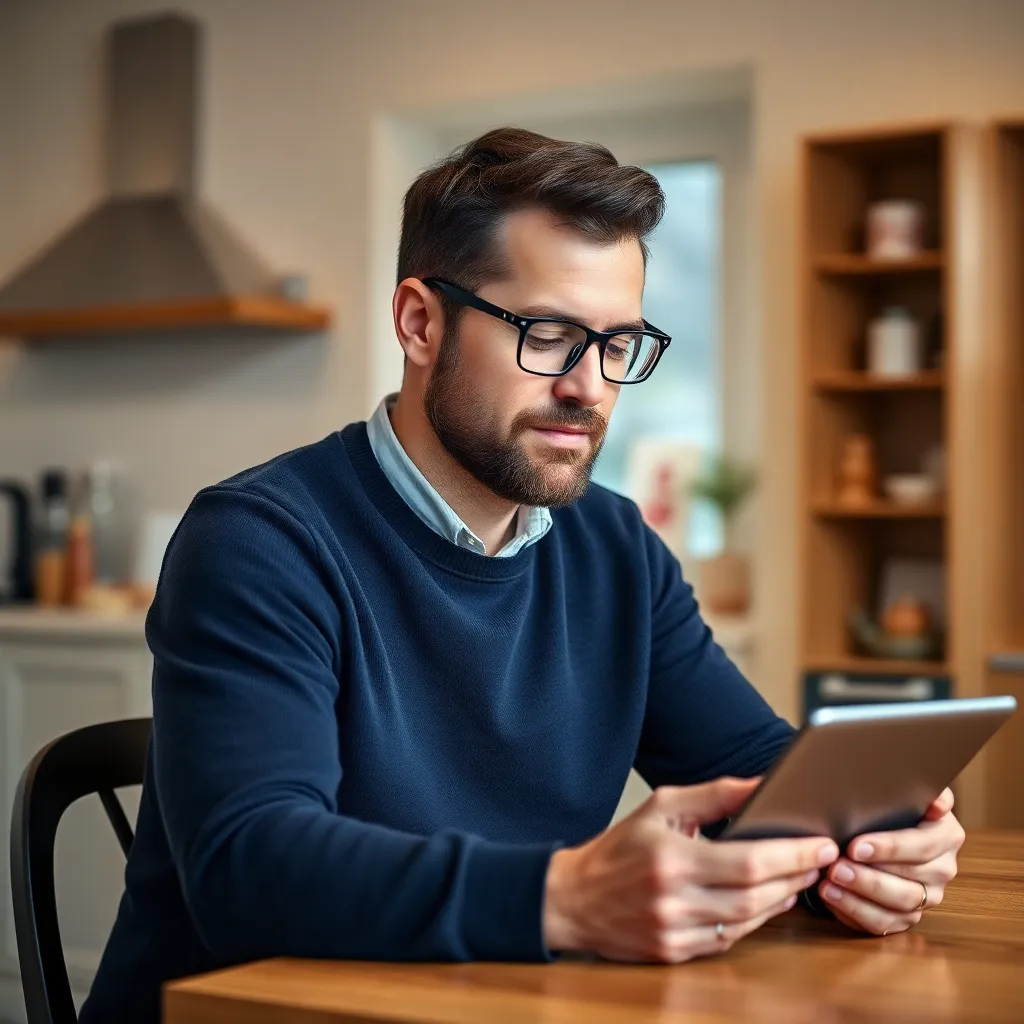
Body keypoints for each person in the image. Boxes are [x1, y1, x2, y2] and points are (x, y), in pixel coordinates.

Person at [79, 127, 964, 1022]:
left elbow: (754, 775)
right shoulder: (260, 542)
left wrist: (865, 850)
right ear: (421, 322)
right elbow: (249, 868)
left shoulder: (616, 549)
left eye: (618, 345)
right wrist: (568, 895)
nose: (591, 387)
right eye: (549, 335)